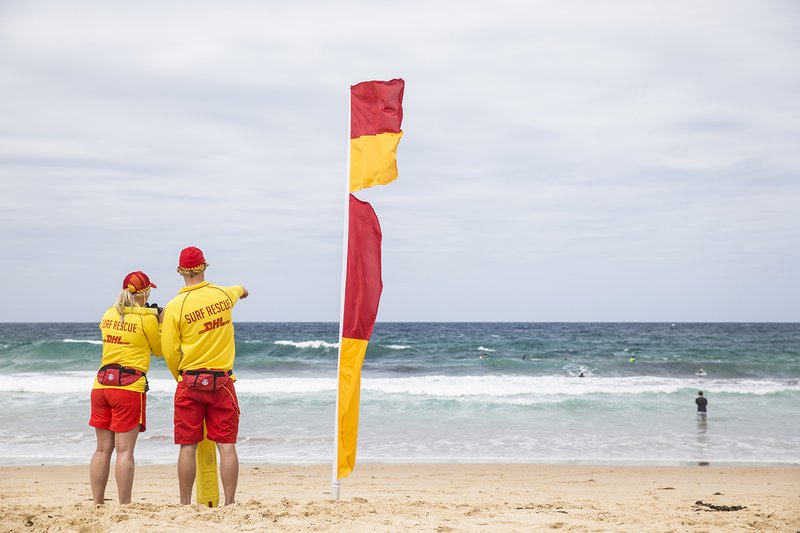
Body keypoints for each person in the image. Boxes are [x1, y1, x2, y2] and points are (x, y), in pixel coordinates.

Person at [161, 246, 249, 505]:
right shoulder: (223, 294)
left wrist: (178, 376)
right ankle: (230, 503)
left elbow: (169, 351)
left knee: (188, 446)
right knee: (227, 445)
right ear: (205, 266)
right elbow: (239, 289)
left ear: (180, 271)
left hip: (190, 381)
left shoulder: (175, 306)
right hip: (222, 382)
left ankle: (185, 503)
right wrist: (243, 291)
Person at [90, 271, 162, 505]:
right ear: (145, 293)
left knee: (102, 450)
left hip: (101, 385)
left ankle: (98, 502)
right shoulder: (146, 319)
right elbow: (159, 350)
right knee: (124, 451)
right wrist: (159, 322)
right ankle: (124, 505)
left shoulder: (109, 313)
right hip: (128, 387)